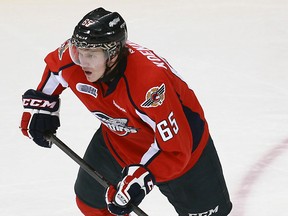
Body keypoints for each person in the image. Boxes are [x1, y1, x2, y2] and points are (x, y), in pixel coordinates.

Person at [20, 7, 232, 216]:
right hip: (119, 141)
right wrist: (43, 102)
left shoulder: (149, 85)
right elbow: (56, 70)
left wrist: (143, 175)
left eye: (91, 55)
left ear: (112, 55)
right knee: (91, 203)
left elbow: (176, 149)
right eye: (79, 52)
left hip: (183, 155)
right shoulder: (75, 58)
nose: (82, 61)